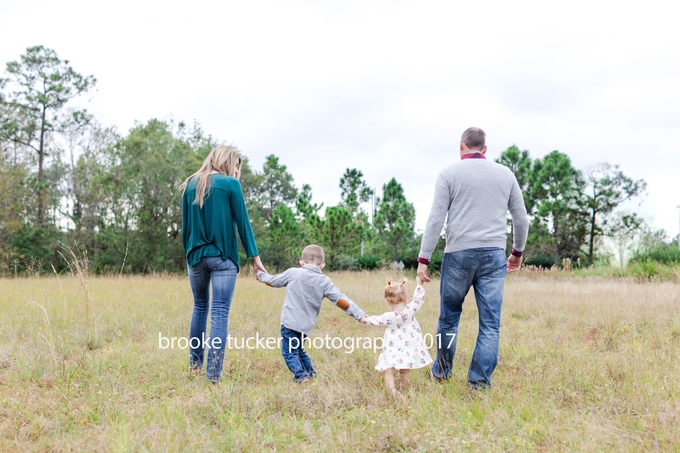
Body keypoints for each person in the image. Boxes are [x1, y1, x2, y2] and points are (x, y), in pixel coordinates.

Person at [417, 127, 529, 389]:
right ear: (485, 149)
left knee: (448, 318)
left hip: (458, 253)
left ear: (461, 146)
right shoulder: (505, 174)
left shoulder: (449, 173)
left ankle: (442, 373)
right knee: (490, 323)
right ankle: (478, 383)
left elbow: (435, 219)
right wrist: (517, 252)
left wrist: (424, 259)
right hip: (492, 255)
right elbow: (521, 218)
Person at [180, 145, 266, 383]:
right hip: (223, 257)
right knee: (219, 313)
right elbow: (243, 224)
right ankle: (213, 375)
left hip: (195, 256)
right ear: (229, 162)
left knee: (199, 307)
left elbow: (185, 229)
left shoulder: (190, 185)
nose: (237, 171)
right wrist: (255, 259)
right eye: (237, 166)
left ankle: (195, 366)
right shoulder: (231, 185)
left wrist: (188, 259)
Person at [256, 244, 367, 383]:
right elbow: (341, 300)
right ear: (322, 265)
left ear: (301, 262)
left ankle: (302, 377)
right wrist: (360, 315)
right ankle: (311, 375)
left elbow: (272, 282)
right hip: (305, 326)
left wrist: (260, 275)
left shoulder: (293, 272)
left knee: (289, 352)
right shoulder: (324, 281)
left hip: (289, 323)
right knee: (299, 351)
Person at [361, 277, 433, 394]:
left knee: (388, 369)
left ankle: (392, 392)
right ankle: (405, 391)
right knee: (405, 369)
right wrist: (419, 283)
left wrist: (365, 319)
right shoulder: (410, 310)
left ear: (387, 301)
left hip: (393, 348)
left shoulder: (389, 316)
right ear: (405, 298)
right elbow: (418, 299)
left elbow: (376, 320)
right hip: (408, 347)